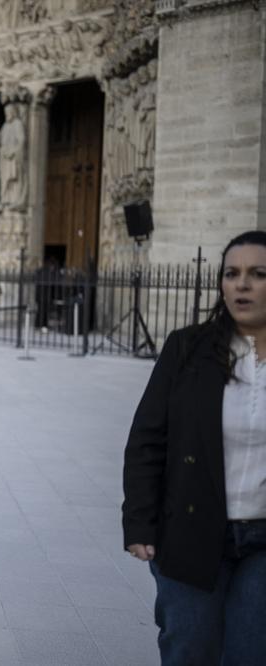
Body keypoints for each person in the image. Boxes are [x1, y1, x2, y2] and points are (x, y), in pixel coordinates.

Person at [123, 230, 266, 665]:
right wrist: (139, 523)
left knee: (249, 652)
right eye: (231, 273)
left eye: (258, 274)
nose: (241, 284)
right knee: (190, 647)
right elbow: (148, 438)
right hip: (191, 527)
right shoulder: (187, 349)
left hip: (262, 539)